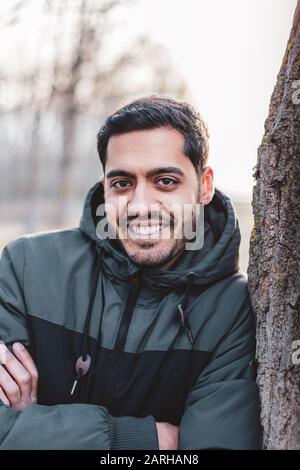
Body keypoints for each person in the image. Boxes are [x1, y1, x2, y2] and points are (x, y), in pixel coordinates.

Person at [0, 95, 261, 450]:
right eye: (122, 183)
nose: (140, 206)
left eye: (165, 181)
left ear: (204, 185)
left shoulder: (230, 310)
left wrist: (33, 428)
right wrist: (151, 440)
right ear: (105, 185)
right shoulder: (26, 267)